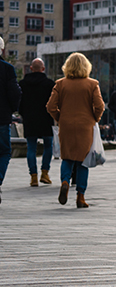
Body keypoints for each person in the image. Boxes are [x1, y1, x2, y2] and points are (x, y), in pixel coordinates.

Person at [46, 52, 105, 209]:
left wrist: (60, 118)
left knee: (67, 158)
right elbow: (100, 106)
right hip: (86, 126)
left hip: (66, 125)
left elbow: (50, 106)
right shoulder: (92, 84)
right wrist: (95, 118)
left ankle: (65, 181)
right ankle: (80, 197)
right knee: (83, 162)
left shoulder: (60, 84)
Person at [19, 58, 55, 187]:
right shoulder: (49, 84)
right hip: (46, 119)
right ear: (43, 69)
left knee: (31, 148)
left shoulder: (22, 84)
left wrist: (23, 114)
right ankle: (45, 173)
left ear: (31, 68)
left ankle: (33, 176)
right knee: (48, 146)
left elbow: (19, 102)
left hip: (29, 119)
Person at [0, 37, 22, 203]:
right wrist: (12, 109)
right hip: (1, 118)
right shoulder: (7, 69)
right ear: (2, 49)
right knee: (4, 152)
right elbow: (15, 93)